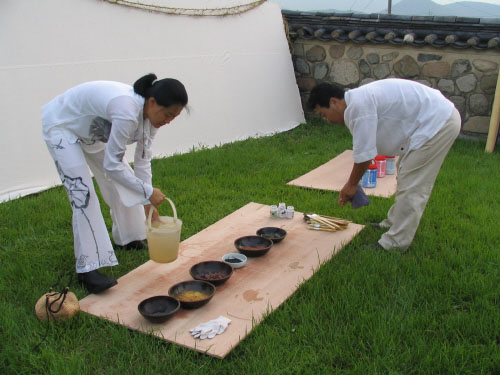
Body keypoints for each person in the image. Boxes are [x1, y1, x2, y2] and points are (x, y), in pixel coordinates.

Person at [42, 73, 188, 292]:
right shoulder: (127, 111)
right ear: (152, 102)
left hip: (93, 133)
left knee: (120, 181)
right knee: (83, 194)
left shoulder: (153, 118)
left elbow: (143, 161)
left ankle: (128, 238)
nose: (167, 121)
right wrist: (147, 192)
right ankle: (88, 268)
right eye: (167, 114)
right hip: (62, 127)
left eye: (173, 118)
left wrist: (148, 200)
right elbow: (112, 165)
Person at [308, 78, 461, 252]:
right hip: (430, 120)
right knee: (404, 173)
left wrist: (351, 184)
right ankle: (393, 222)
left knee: (413, 185)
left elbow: (365, 155)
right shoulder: (357, 102)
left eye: (323, 114)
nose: (326, 120)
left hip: (438, 123)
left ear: (333, 102)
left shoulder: (359, 107)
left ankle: (394, 243)